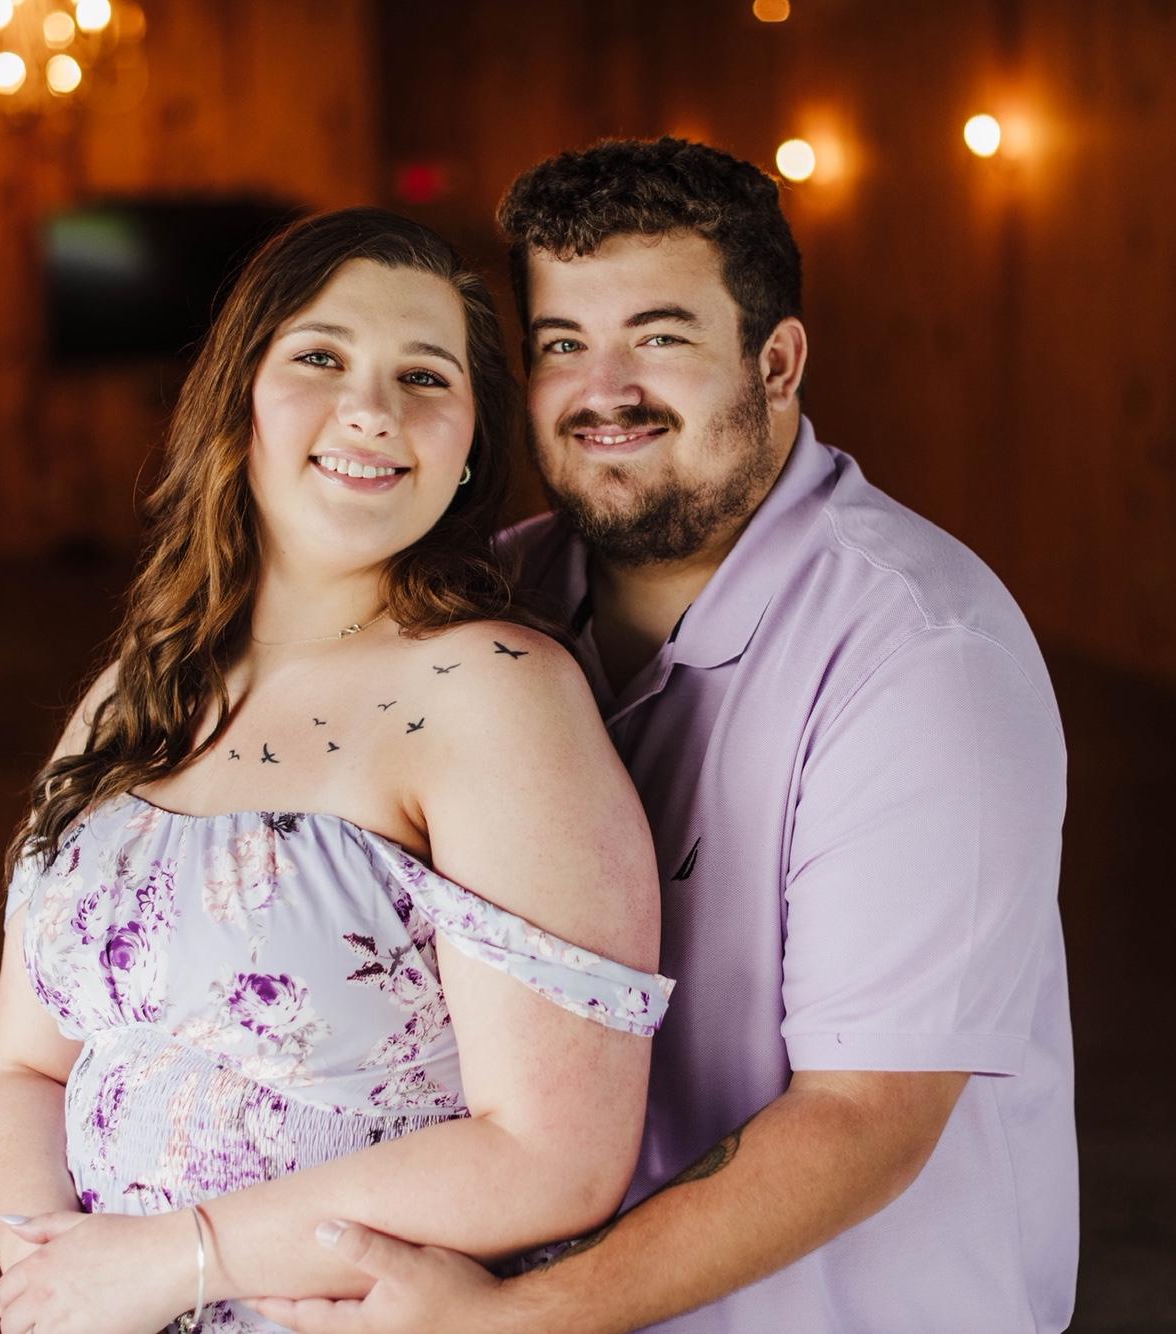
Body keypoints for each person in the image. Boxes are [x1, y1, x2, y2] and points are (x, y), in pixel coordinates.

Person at [248, 138, 1077, 1333]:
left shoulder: (918, 653)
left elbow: (863, 1117)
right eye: (560, 345)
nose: (604, 390)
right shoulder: (487, 601)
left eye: (659, 337)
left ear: (775, 361)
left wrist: (503, 1322)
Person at [0, 206, 674, 1334]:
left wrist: (176, 1261)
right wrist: (53, 1275)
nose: (371, 409)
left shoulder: (490, 690)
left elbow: (554, 1155)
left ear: (471, 446)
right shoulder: (139, 686)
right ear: (238, 394)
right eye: (321, 357)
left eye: (424, 377)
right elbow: (20, 1070)